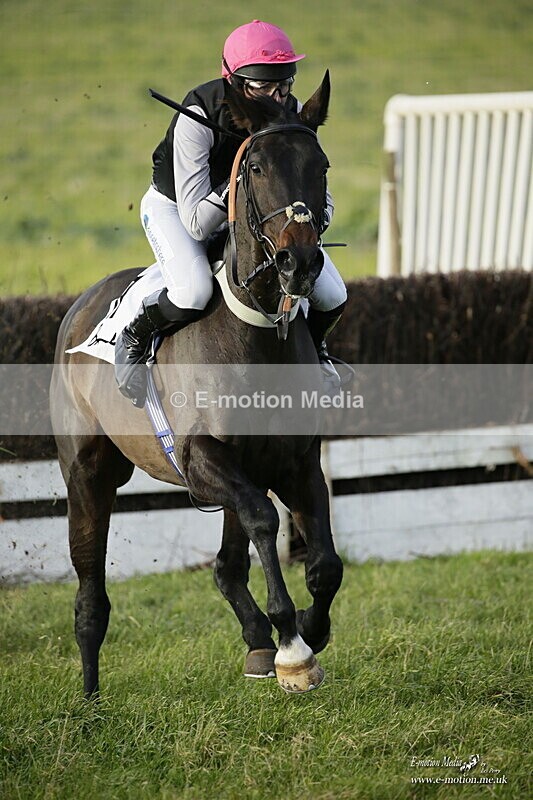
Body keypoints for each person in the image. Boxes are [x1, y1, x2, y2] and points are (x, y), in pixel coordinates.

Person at [115, 19, 347, 407]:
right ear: (238, 84)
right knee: (193, 291)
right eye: (265, 86)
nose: (279, 96)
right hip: (178, 209)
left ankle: (316, 350)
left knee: (332, 293)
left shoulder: (288, 114)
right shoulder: (197, 114)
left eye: (285, 83)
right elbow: (196, 222)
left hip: (255, 213)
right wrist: (242, 183)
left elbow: (311, 190)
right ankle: (134, 337)